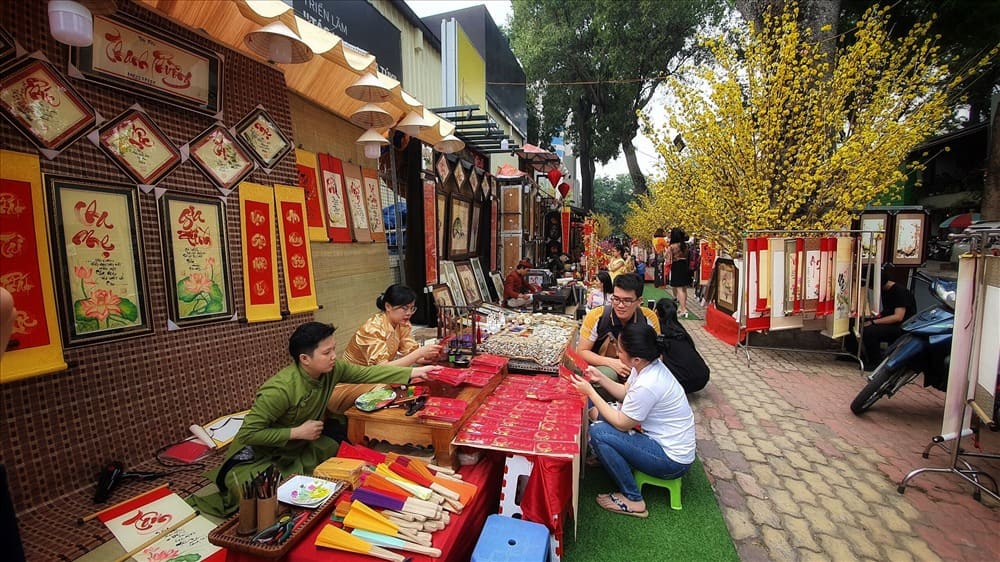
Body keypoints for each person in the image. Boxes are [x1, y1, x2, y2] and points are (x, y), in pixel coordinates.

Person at [198, 322, 439, 516]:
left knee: (337, 449)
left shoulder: (332, 370)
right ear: (304, 359)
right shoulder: (279, 390)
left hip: (297, 447)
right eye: (327, 352)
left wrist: (414, 372)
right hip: (258, 455)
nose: (334, 356)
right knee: (260, 494)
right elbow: (249, 434)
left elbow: (368, 373)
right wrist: (296, 432)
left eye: (334, 349)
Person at [568, 322, 696, 518]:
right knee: (598, 414)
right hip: (662, 444)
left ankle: (634, 499)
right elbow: (625, 393)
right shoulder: (645, 365)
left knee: (598, 431)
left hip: (671, 461)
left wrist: (591, 393)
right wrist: (601, 378)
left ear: (635, 358)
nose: (617, 354)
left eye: (620, 351)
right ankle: (609, 457)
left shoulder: (649, 383)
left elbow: (622, 423)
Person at [577, 273, 660, 382]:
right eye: (616, 299)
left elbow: (657, 355)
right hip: (603, 368)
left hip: (637, 369)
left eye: (627, 301)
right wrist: (611, 362)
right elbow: (581, 351)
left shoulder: (648, 317)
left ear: (639, 301)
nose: (620, 305)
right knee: (608, 375)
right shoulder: (596, 316)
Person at [344, 285, 442, 367]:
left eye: (412, 308)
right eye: (404, 308)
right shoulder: (372, 329)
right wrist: (419, 353)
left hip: (380, 374)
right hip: (356, 379)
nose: (409, 313)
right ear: (388, 307)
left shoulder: (402, 324)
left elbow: (410, 352)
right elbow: (383, 368)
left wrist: (428, 357)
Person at [860, 273, 917, 370]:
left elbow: (898, 317)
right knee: (858, 323)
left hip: (902, 327)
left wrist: (874, 322)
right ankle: (859, 355)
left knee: (870, 331)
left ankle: (876, 361)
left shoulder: (900, 292)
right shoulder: (885, 290)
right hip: (892, 323)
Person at [654, 298, 710, 393]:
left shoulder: (658, 330)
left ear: (656, 312)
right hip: (703, 377)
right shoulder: (680, 329)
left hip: (682, 383)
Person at [668, 228, 693, 318]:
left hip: (677, 266)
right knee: (684, 288)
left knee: (679, 289)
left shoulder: (672, 246)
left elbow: (667, 257)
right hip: (685, 265)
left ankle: (683, 309)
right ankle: (683, 307)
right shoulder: (685, 245)